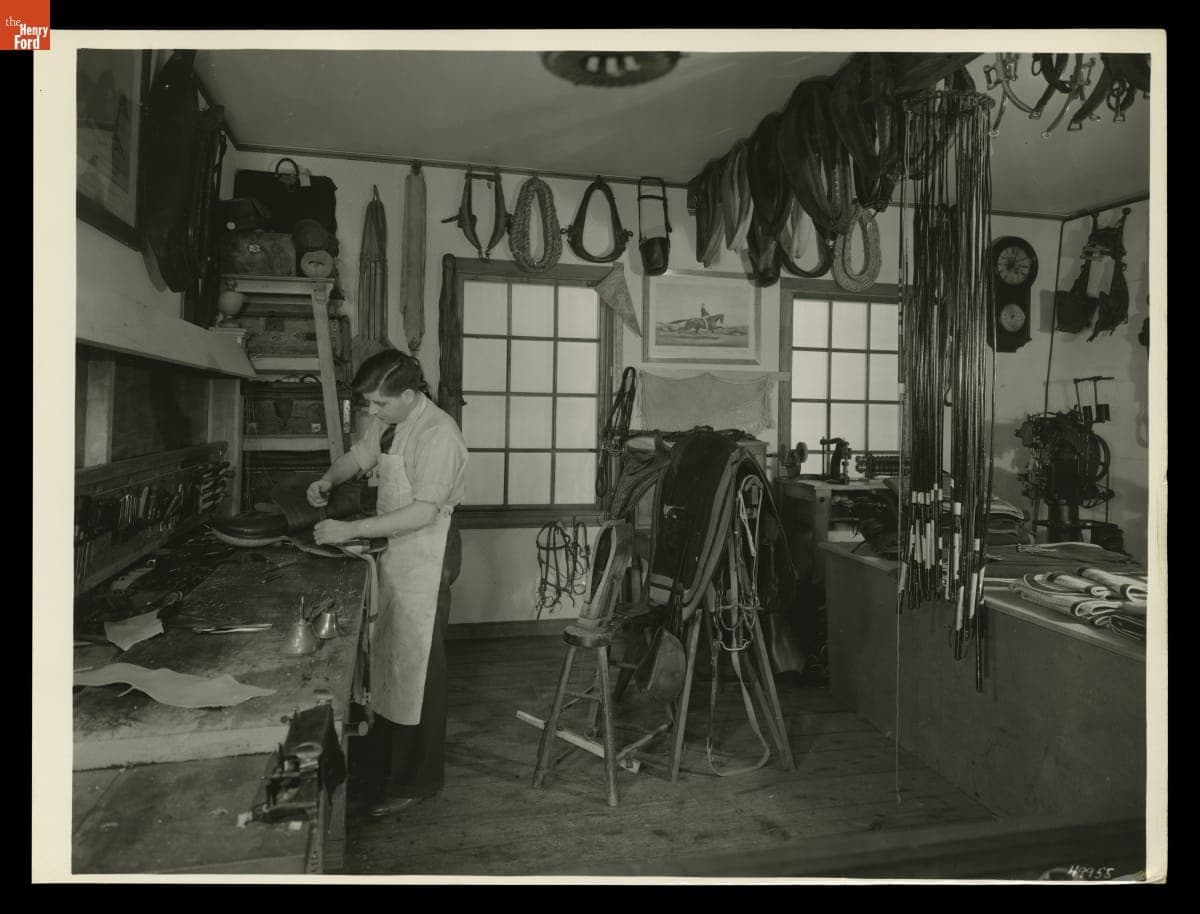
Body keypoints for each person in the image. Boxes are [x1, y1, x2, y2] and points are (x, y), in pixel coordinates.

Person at [307, 350, 468, 818]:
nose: (373, 412)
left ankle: (417, 780)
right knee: (389, 658)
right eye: (370, 404)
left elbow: (422, 512)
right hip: (395, 548)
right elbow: (360, 456)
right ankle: (379, 768)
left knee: (419, 667)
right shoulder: (390, 420)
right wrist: (327, 479)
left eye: (380, 403)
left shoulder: (438, 434)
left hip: (428, 551)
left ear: (410, 395)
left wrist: (349, 530)